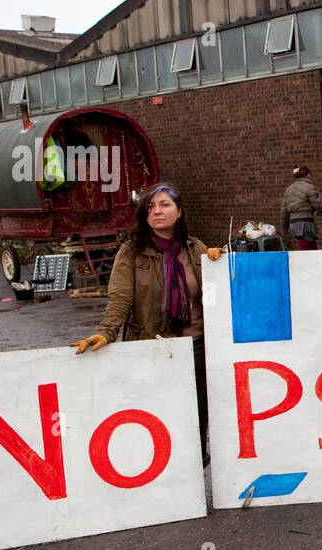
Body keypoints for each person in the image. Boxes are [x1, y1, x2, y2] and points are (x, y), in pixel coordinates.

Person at [69, 185, 222, 461]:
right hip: (153, 346)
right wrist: (107, 331)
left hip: (196, 346)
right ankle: (161, 473)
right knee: (158, 413)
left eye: (164, 205)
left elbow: (217, 293)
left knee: (197, 412)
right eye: (150, 207)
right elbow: (120, 298)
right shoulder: (131, 252)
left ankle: (196, 468)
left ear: (179, 211)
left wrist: (220, 262)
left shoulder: (194, 248)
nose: (157, 211)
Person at [280, 165, 322, 250]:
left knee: (306, 247)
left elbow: (284, 212)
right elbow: (318, 205)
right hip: (305, 224)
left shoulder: (289, 189)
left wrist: (284, 229)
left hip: (293, 224)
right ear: (308, 175)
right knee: (309, 249)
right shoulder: (309, 187)